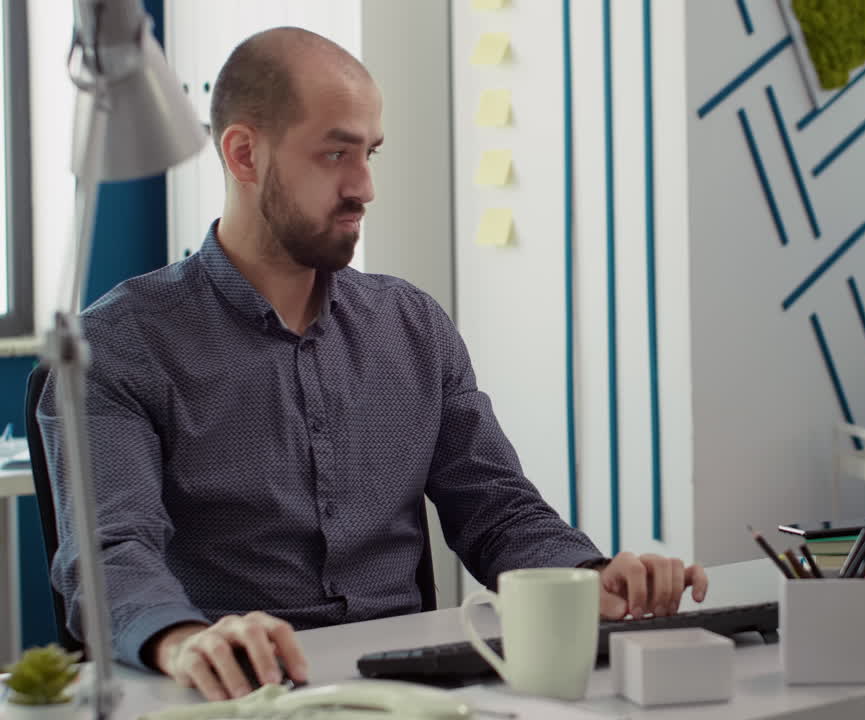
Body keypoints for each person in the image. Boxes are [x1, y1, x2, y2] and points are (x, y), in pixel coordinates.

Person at [37, 26, 707, 702]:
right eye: (335, 153)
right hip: (243, 699)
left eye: (371, 153)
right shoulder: (120, 345)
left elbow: (498, 512)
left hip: (420, 696)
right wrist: (181, 638)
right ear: (243, 154)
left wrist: (588, 575)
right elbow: (108, 555)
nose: (364, 186)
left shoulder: (412, 325)